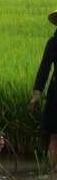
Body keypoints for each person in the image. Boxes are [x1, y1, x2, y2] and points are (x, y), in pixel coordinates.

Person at [29, 9, 57, 167]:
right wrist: (36, 94)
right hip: (56, 94)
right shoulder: (54, 42)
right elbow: (44, 69)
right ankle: (53, 174)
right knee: (55, 135)